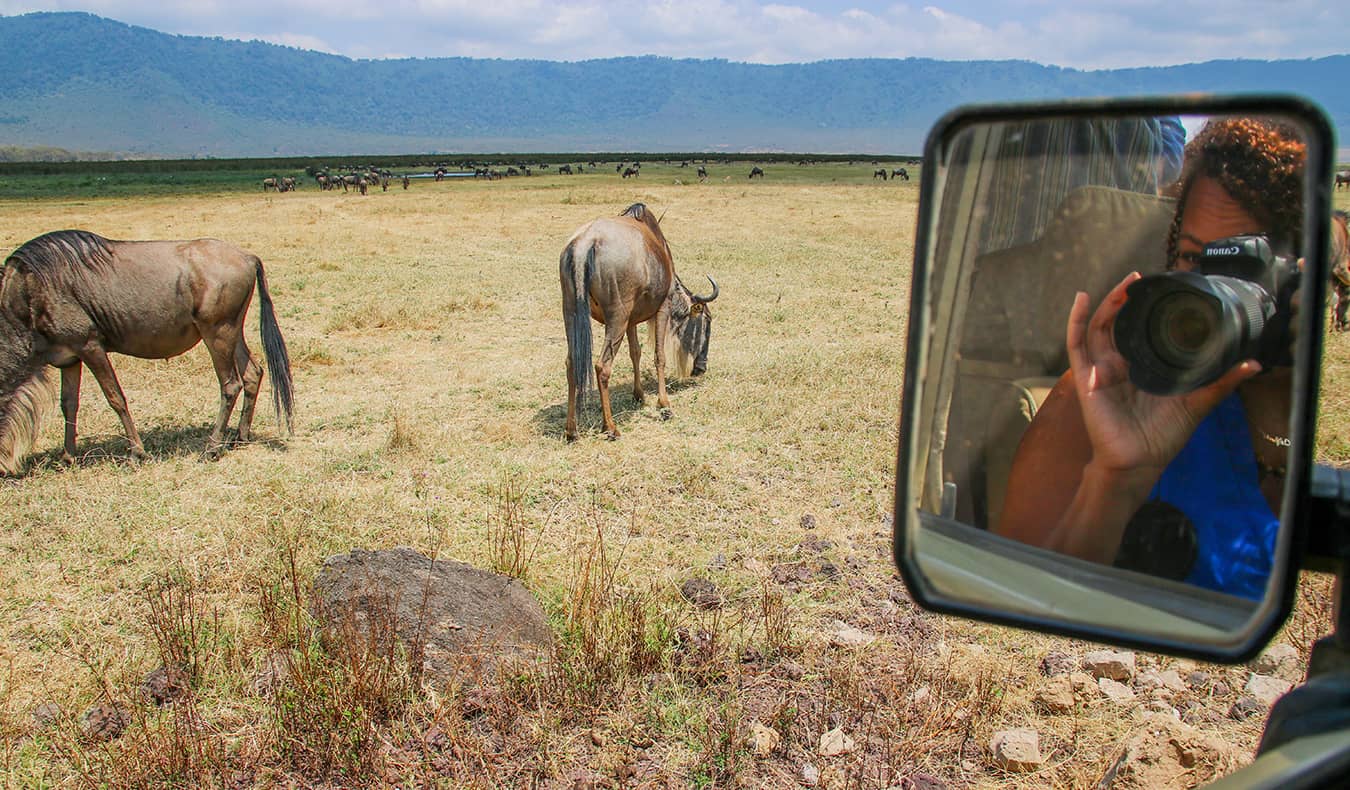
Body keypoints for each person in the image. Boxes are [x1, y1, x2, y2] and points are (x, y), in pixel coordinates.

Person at [995, 117, 1307, 600]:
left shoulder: (1313, 407)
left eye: (1242, 266)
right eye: (1191, 258)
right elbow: (1015, 601)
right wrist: (1114, 480)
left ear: (1301, 282)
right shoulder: (1107, 391)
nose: (1208, 292)